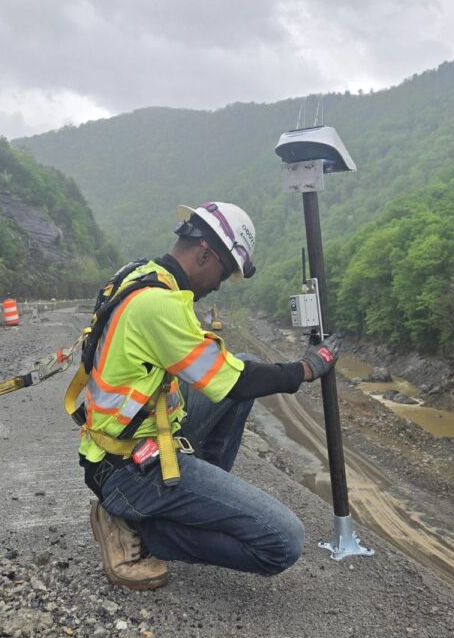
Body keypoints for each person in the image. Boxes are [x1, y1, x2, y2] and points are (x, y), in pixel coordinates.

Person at [77, 201, 340, 590]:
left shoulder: (143, 274)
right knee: (284, 542)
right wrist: (305, 369)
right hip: (129, 469)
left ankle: (193, 502)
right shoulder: (159, 304)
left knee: (244, 359)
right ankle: (138, 529)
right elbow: (233, 381)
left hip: (127, 444)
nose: (219, 283)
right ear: (204, 253)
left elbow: (222, 370)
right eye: (225, 272)